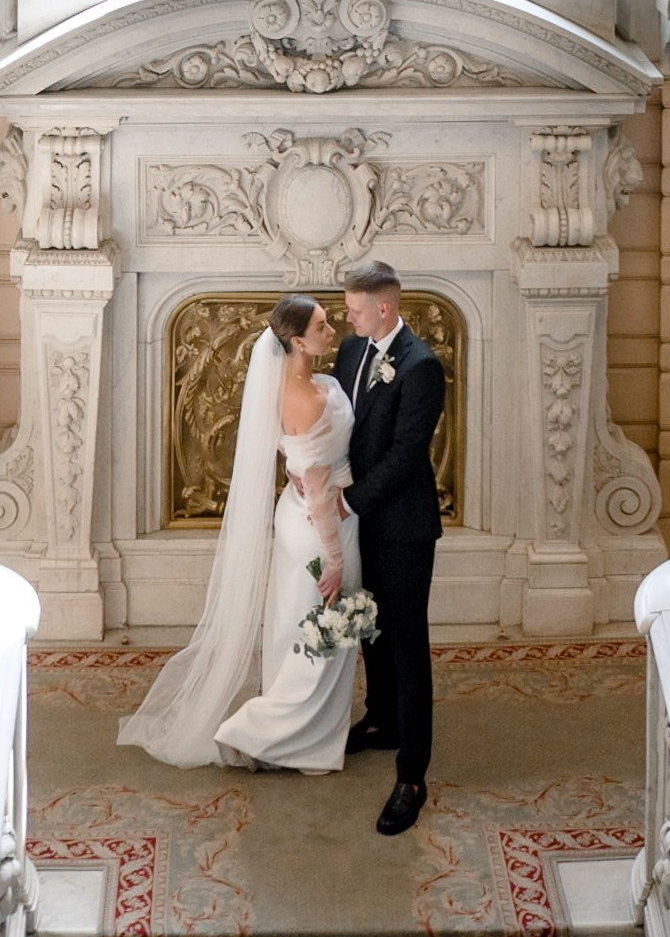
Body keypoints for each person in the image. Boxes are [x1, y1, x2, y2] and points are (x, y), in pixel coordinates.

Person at [117, 293, 361, 772]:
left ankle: (305, 738)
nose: (332, 330)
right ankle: (260, 734)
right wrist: (333, 559)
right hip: (321, 526)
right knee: (324, 635)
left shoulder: (314, 384)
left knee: (300, 626)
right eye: (322, 326)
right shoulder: (307, 400)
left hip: (301, 515)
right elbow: (315, 484)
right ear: (297, 341)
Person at [332, 258, 443, 835]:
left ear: (385, 308)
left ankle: (412, 772)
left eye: (354, 309)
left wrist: (348, 500)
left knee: (407, 641)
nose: (346, 318)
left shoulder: (422, 367)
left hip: (402, 524)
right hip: (360, 522)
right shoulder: (352, 350)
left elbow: (405, 455)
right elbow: (342, 426)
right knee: (368, 624)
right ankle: (380, 720)